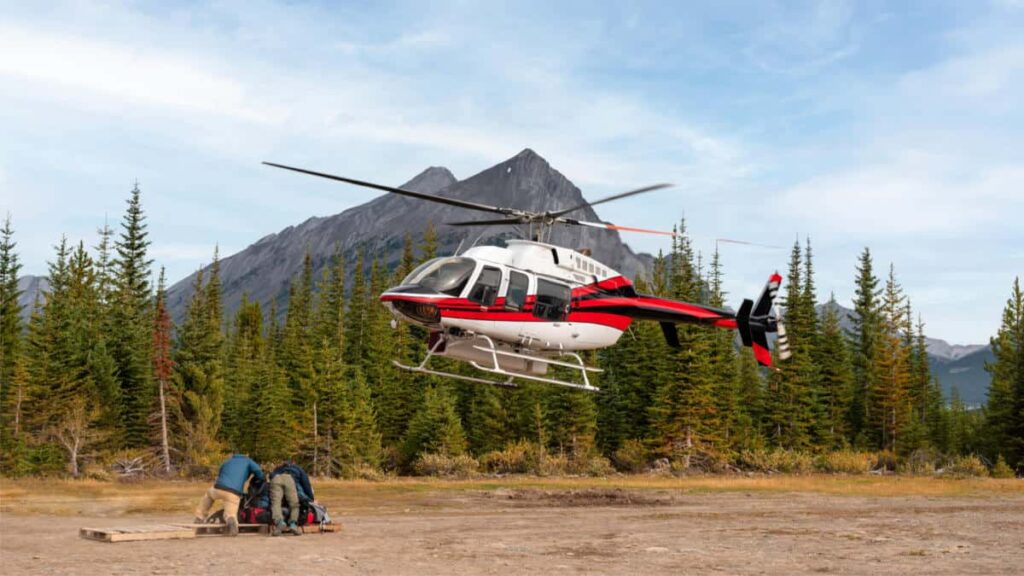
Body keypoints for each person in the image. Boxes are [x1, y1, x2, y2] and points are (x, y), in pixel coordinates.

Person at [194, 453, 264, 536]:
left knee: (208, 496)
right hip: (233, 492)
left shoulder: (227, 462)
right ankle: (232, 527)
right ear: (246, 455)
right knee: (231, 514)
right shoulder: (248, 461)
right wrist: (260, 479)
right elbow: (259, 472)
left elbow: (220, 473)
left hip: (218, 487)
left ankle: (199, 517)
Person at [269, 461, 314, 537]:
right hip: (289, 479)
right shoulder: (298, 468)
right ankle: (293, 524)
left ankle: (280, 522)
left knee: (276, 503)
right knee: (294, 504)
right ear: (294, 463)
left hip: (276, 478)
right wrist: (311, 498)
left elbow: (271, 476)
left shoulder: (278, 468)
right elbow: (306, 483)